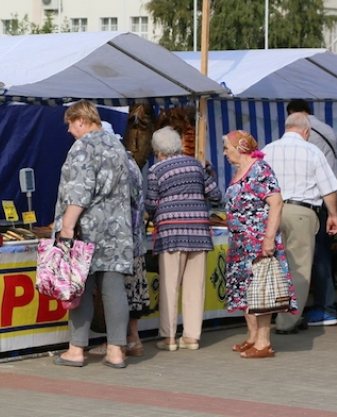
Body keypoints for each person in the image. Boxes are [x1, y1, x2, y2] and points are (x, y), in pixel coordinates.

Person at [52, 101, 133, 369]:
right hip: (117, 230)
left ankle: (76, 349)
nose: (68, 131)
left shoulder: (83, 147)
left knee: (80, 289)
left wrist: (66, 228)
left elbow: (79, 192)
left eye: (70, 124)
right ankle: (116, 351)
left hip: (86, 230)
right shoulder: (116, 146)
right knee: (113, 290)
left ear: (81, 121)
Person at [262, 113, 337, 334]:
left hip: (271, 211)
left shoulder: (268, 149)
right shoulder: (312, 150)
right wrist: (333, 214)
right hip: (301, 212)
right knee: (299, 268)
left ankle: (267, 316)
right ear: (306, 131)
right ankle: (287, 322)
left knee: (274, 266)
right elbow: (328, 189)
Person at [145, 126, 221, 351]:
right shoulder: (196, 165)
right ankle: (191, 337)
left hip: (170, 232)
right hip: (198, 230)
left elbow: (149, 203)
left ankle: (168, 338)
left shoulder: (156, 170)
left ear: (158, 150)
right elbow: (216, 194)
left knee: (170, 285)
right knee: (194, 285)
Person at [222, 130, 296, 359]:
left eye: (227, 147)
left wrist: (268, 238)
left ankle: (264, 343)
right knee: (245, 290)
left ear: (240, 147)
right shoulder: (239, 170)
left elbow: (276, 203)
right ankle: (253, 336)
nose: (224, 152)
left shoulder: (260, 169)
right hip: (240, 243)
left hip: (257, 242)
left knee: (260, 290)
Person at [88, 121, 149, 358]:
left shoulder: (115, 164)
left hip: (120, 239)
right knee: (130, 292)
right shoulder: (130, 162)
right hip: (134, 236)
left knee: (116, 293)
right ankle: (133, 339)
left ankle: (119, 342)